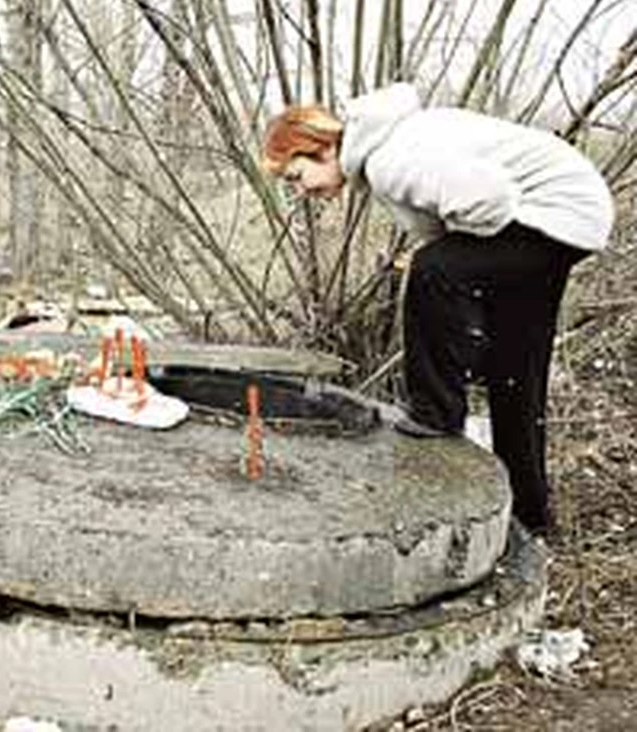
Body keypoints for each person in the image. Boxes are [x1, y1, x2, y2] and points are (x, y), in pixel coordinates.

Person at [260, 83, 614, 535]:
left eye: (296, 176)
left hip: (553, 211)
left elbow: (490, 203)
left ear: (322, 148)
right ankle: (530, 518)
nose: (301, 191)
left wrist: (447, 266)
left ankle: (436, 411)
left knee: (433, 269)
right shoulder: (390, 143)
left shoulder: (389, 158)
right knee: (516, 368)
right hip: (571, 214)